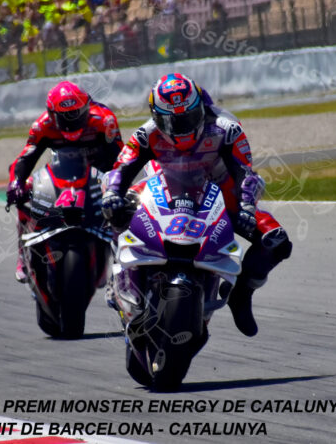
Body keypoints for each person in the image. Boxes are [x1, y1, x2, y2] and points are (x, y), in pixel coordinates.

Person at [101, 73, 292, 337]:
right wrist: (112, 193)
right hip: (162, 184)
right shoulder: (146, 134)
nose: (180, 128)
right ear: (156, 116)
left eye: (187, 118)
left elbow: (246, 174)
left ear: (200, 109)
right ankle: (117, 273)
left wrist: (247, 206)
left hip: (219, 190)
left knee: (276, 240)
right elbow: (120, 169)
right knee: (115, 208)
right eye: (170, 121)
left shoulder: (226, 128)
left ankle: (242, 294)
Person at [7, 81, 124, 282]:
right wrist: (16, 183)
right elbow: (25, 159)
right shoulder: (42, 126)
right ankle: (23, 252)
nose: (72, 121)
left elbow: (121, 158)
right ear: (52, 114)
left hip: (99, 172)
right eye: (64, 117)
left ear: (87, 108)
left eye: (77, 114)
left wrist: (115, 186)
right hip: (63, 173)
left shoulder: (104, 120)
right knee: (23, 195)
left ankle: (120, 261)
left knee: (120, 204)